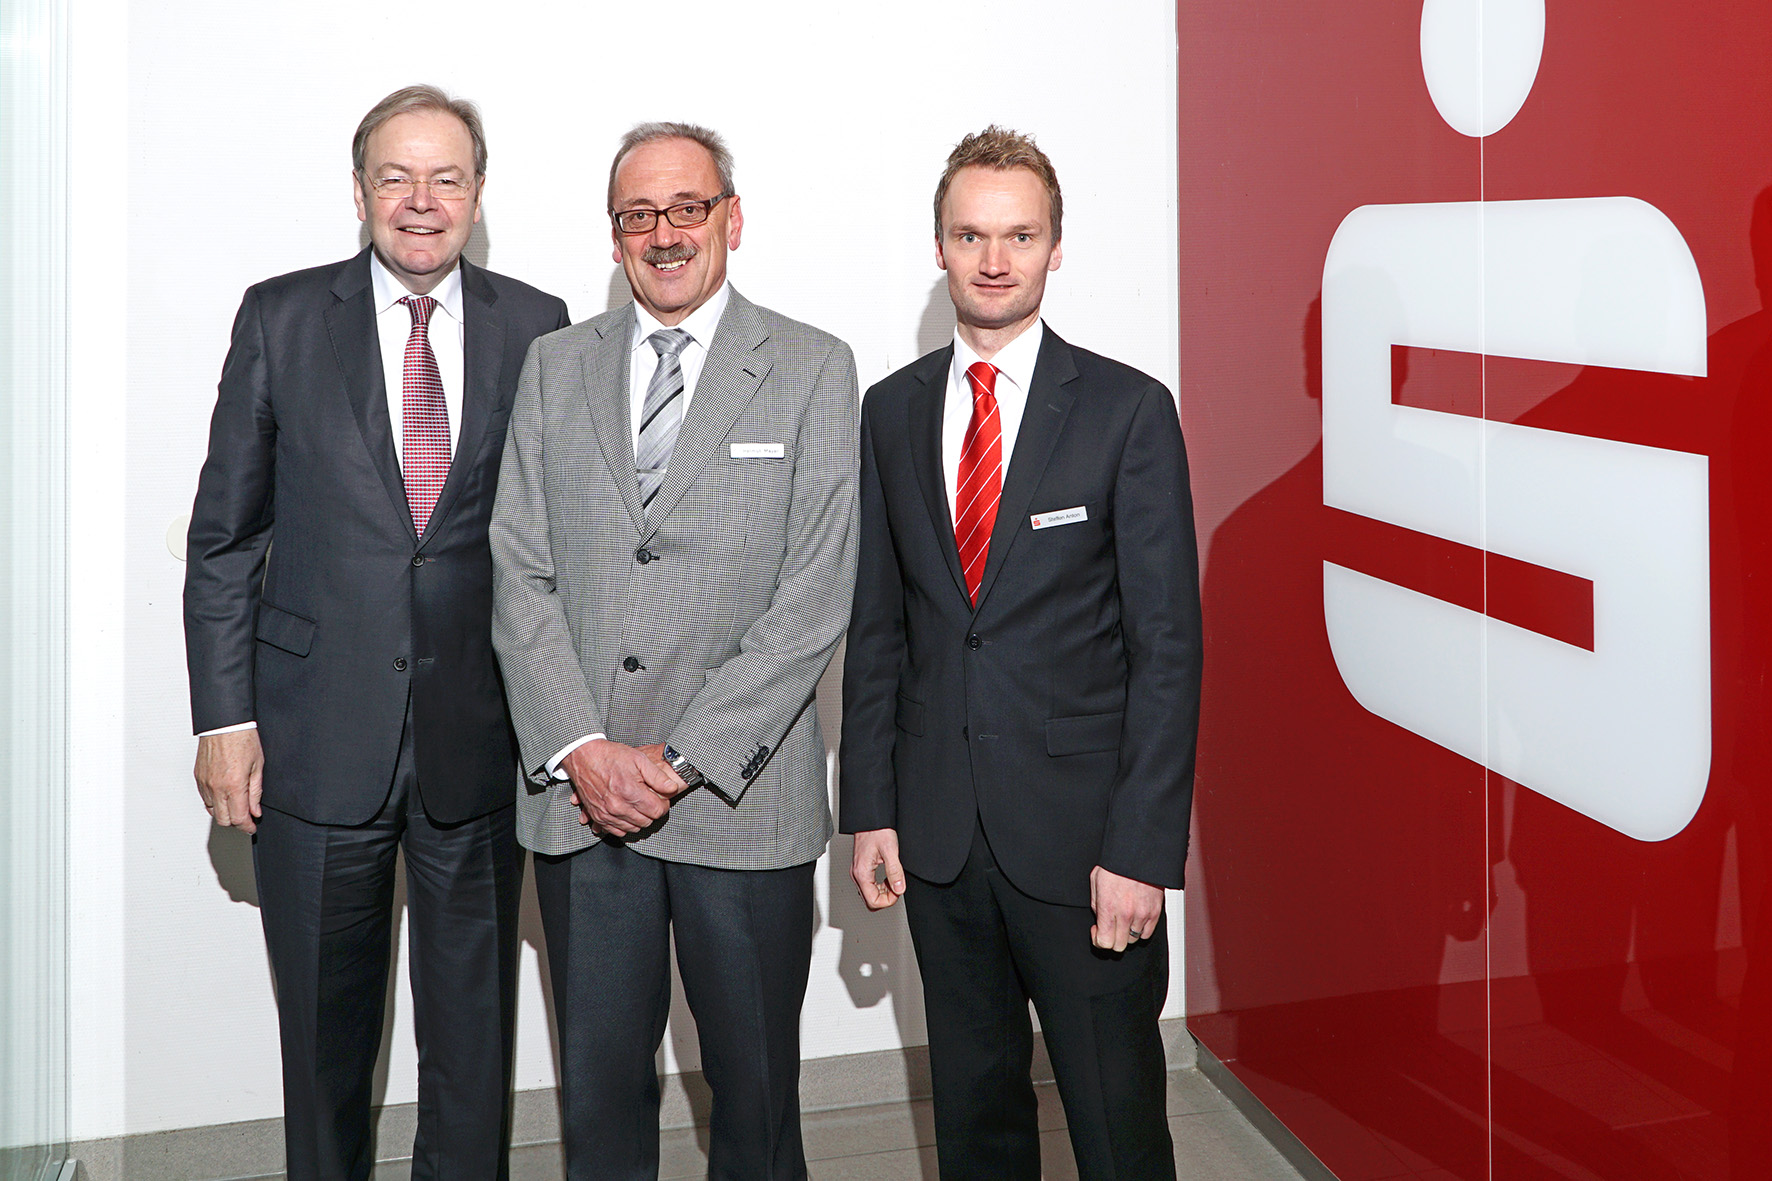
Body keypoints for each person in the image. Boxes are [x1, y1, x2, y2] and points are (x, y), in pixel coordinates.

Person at [183, 85, 570, 1181]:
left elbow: (558, 538)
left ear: (478, 194)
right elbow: (225, 539)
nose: (420, 199)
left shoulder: (538, 325)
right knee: (322, 1050)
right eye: (395, 176)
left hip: (479, 742)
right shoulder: (280, 318)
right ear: (358, 192)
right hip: (311, 742)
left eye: (446, 177)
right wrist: (223, 718)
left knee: (473, 1049)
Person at [488, 121, 858, 1180]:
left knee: (755, 1101)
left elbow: (813, 597)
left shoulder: (811, 367)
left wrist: (681, 759)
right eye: (638, 214)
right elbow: (518, 568)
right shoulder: (554, 366)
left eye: (687, 207)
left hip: (740, 803)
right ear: (614, 237)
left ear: (732, 219)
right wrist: (584, 748)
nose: (664, 233)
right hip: (585, 802)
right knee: (601, 1105)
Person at [840, 126, 1203, 1181]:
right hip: (940, 839)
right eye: (971, 235)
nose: (994, 260)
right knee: (976, 1124)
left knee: (1116, 1128)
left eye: (1020, 235)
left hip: (1085, 849)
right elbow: (879, 625)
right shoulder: (890, 411)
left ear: (1055, 246)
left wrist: (1141, 850)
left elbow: (1168, 650)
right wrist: (871, 805)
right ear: (939, 248)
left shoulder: (1128, 412)